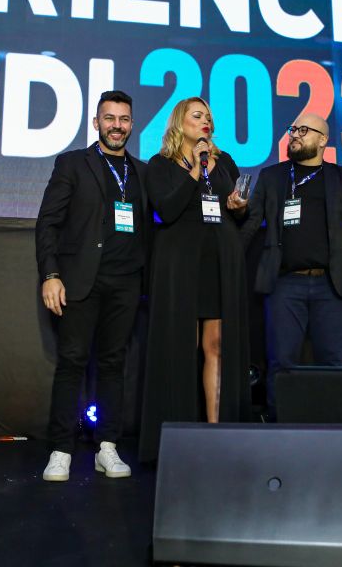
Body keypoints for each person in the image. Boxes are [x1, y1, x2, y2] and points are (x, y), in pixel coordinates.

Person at [241, 112, 342, 419]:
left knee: (332, 363)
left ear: (323, 140)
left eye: (304, 130)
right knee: (281, 363)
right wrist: (231, 255)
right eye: (293, 129)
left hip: (331, 285)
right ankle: (280, 429)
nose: (295, 135)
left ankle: (331, 431)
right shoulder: (272, 177)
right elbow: (251, 223)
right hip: (284, 284)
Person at [35, 90, 151, 481]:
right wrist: (50, 275)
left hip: (126, 282)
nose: (117, 126)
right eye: (110, 118)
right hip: (79, 281)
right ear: (96, 122)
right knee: (72, 362)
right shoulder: (72, 163)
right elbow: (48, 222)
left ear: (132, 125)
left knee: (114, 365)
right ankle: (60, 450)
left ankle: (107, 448)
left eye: (124, 119)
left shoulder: (142, 172)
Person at [138, 97, 252, 462]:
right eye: (198, 115)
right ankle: (180, 440)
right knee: (180, 346)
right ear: (179, 121)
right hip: (180, 263)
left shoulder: (225, 161)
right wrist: (194, 170)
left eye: (209, 117)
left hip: (219, 260)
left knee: (215, 345)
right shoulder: (160, 164)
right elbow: (167, 209)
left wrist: (239, 206)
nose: (206, 121)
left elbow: (236, 210)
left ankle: (217, 436)